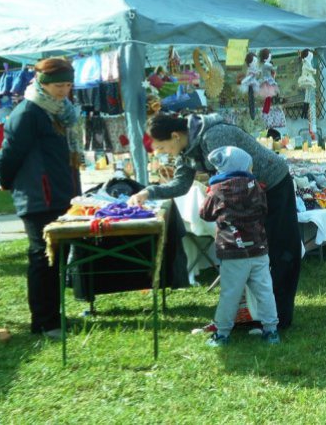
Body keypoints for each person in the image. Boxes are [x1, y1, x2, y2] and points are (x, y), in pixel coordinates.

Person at [128, 112, 301, 329]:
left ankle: (279, 318)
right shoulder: (188, 150)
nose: (164, 153)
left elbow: (233, 181)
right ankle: (258, 315)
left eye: (162, 148)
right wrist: (149, 192)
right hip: (251, 193)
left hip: (273, 185)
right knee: (251, 256)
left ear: (174, 136)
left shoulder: (213, 136)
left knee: (279, 252)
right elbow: (181, 185)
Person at [0, 57, 82, 339]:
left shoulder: (58, 111)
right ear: (43, 84)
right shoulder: (28, 112)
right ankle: (44, 322)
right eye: (59, 85)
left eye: (68, 85)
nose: (64, 91)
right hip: (38, 195)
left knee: (56, 258)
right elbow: (9, 154)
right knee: (42, 257)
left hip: (59, 193)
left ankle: (53, 317)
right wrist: (6, 182)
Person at [200, 146, 280, 347]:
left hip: (233, 252)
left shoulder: (216, 190)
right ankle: (271, 331)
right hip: (259, 249)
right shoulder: (256, 187)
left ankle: (223, 334)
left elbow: (205, 214)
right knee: (264, 291)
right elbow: (264, 209)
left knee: (230, 294)